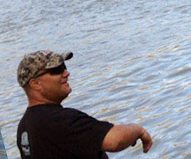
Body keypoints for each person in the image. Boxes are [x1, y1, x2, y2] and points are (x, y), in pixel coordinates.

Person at [16, 50, 153, 158]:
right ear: (35, 84)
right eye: (56, 70)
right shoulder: (59, 120)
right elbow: (114, 140)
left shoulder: (25, 127)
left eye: (64, 67)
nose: (66, 73)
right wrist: (138, 130)